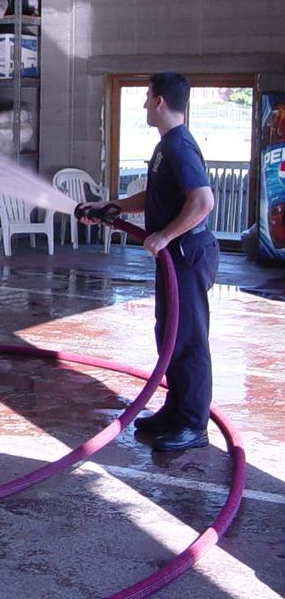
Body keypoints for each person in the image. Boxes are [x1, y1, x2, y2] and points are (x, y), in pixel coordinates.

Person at [82, 72, 218, 452]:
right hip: (173, 258)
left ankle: (193, 425)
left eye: (146, 97)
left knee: (188, 339)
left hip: (187, 255)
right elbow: (158, 194)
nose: (143, 104)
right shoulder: (166, 146)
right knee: (169, 332)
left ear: (160, 102)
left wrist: (165, 235)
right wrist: (115, 206)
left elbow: (202, 201)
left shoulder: (178, 146)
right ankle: (175, 412)